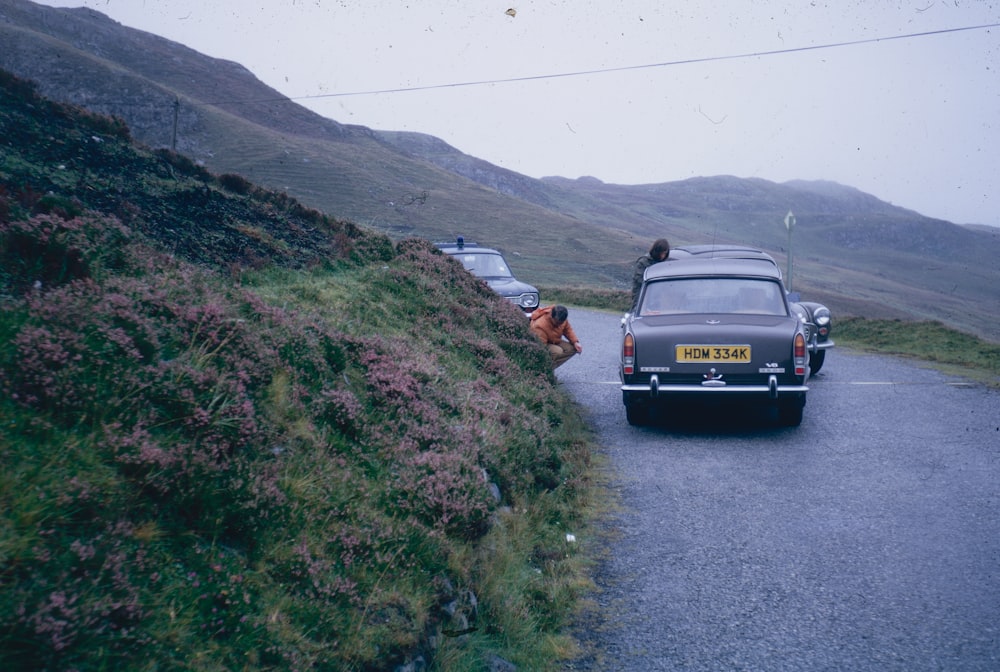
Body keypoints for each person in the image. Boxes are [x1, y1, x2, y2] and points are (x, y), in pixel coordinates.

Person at [529, 305, 582, 369]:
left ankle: (549, 368)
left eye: (561, 323)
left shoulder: (561, 317)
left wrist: (575, 342)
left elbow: (568, 329)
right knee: (557, 351)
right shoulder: (540, 325)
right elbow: (541, 346)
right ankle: (542, 368)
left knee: (573, 348)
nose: (559, 325)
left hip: (554, 340)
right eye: (557, 322)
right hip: (541, 343)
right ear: (552, 316)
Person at [631, 238, 671, 309]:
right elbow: (639, 279)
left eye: (664, 253)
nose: (663, 256)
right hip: (641, 296)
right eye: (661, 253)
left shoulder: (663, 264)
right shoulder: (643, 262)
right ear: (656, 251)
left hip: (656, 297)